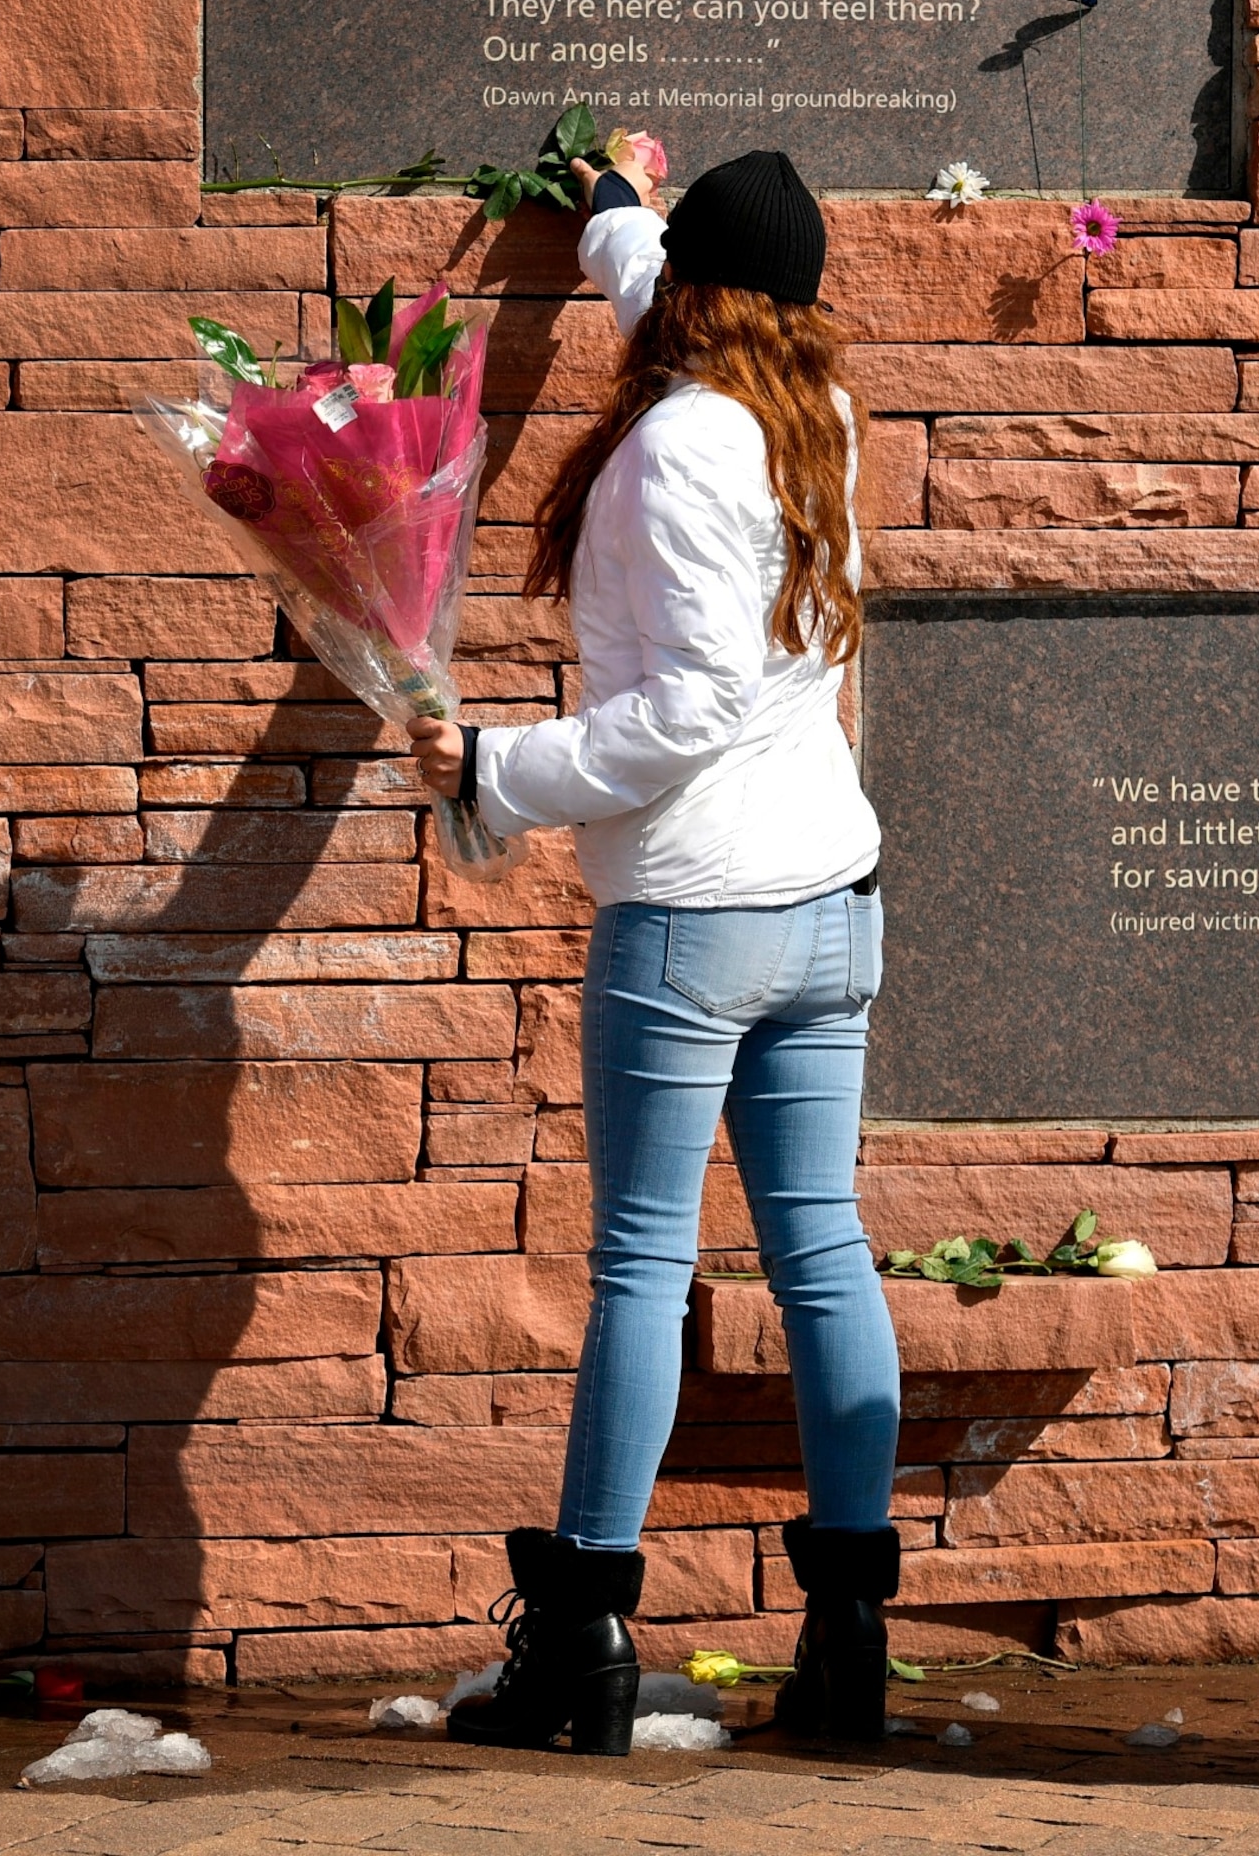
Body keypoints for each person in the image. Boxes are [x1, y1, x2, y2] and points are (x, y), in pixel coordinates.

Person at [407, 143, 898, 1758]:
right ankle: (845, 1646)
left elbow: (680, 715)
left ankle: (585, 1645)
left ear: (695, 286)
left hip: (693, 916)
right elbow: (672, 302)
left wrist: (494, 768)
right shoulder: (808, 413)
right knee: (820, 1249)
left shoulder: (677, 447)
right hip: (828, 901)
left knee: (636, 1263)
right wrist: (616, 208)